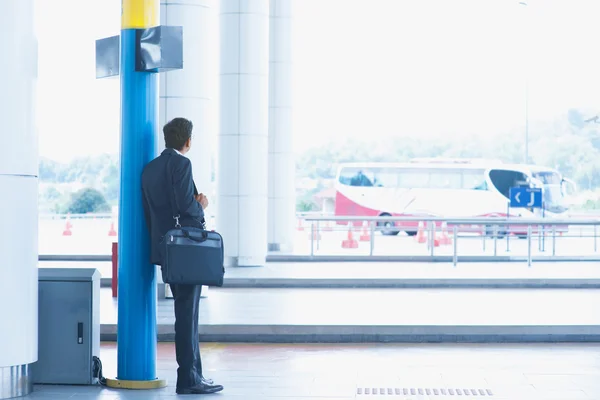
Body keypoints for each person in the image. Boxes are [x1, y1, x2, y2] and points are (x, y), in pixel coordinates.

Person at [141, 117, 224, 395]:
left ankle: (193, 374)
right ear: (188, 141)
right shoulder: (181, 164)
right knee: (187, 314)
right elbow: (185, 206)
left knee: (184, 311)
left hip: (165, 249)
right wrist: (200, 204)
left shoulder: (150, 169)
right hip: (185, 249)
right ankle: (188, 378)